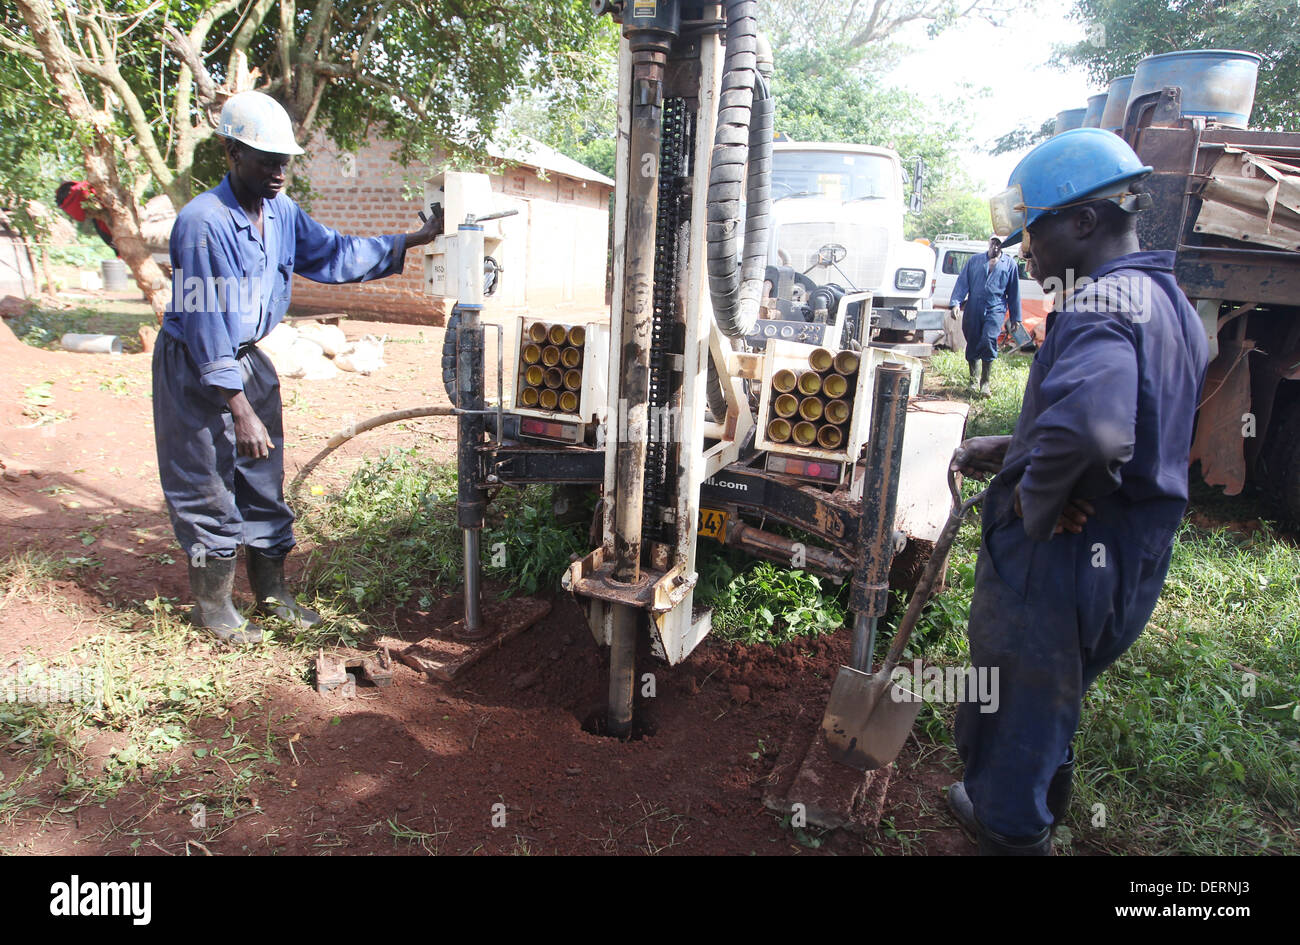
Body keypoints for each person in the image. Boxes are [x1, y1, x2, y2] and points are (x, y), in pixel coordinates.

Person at [945, 128, 1209, 854]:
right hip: (1125, 558)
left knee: (1015, 712)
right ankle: (1027, 807)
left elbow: (1096, 427)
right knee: (1051, 700)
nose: (1028, 252)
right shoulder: (1166, 300)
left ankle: (1006, 827)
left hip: (1061, 564)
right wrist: (1018, 448)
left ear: (1084, 222)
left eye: (1036, 233)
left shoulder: (1099, 304)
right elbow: (1139, 423)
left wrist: (1042, 499)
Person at [155, 91, 442, 644]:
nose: (279, 171)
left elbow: (334, 254)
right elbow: (205, 323)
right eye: (267, 159)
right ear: (231, 152)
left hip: (246, 357)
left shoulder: (279, 211)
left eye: (284, 160)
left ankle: (271, 595)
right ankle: (213, 609)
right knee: (206, 483)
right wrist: (238, 407)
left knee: (262, 478)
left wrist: (412, 239)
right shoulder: (202, 224)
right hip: (197, 365)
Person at [951, 235, 1021, 395]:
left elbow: (1014, 291)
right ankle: (973, 381)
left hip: (996, 307)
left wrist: (1016, 316)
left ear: (1003, 246)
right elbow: (962, 283)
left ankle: (985, 382)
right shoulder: (974, 261)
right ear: (989, 243)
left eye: (999, 244)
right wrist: (956, 302)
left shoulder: (1009, 264)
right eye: (993, 243)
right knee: (973, 339)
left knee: (988, 339)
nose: (995, 247)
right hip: (974, 306)